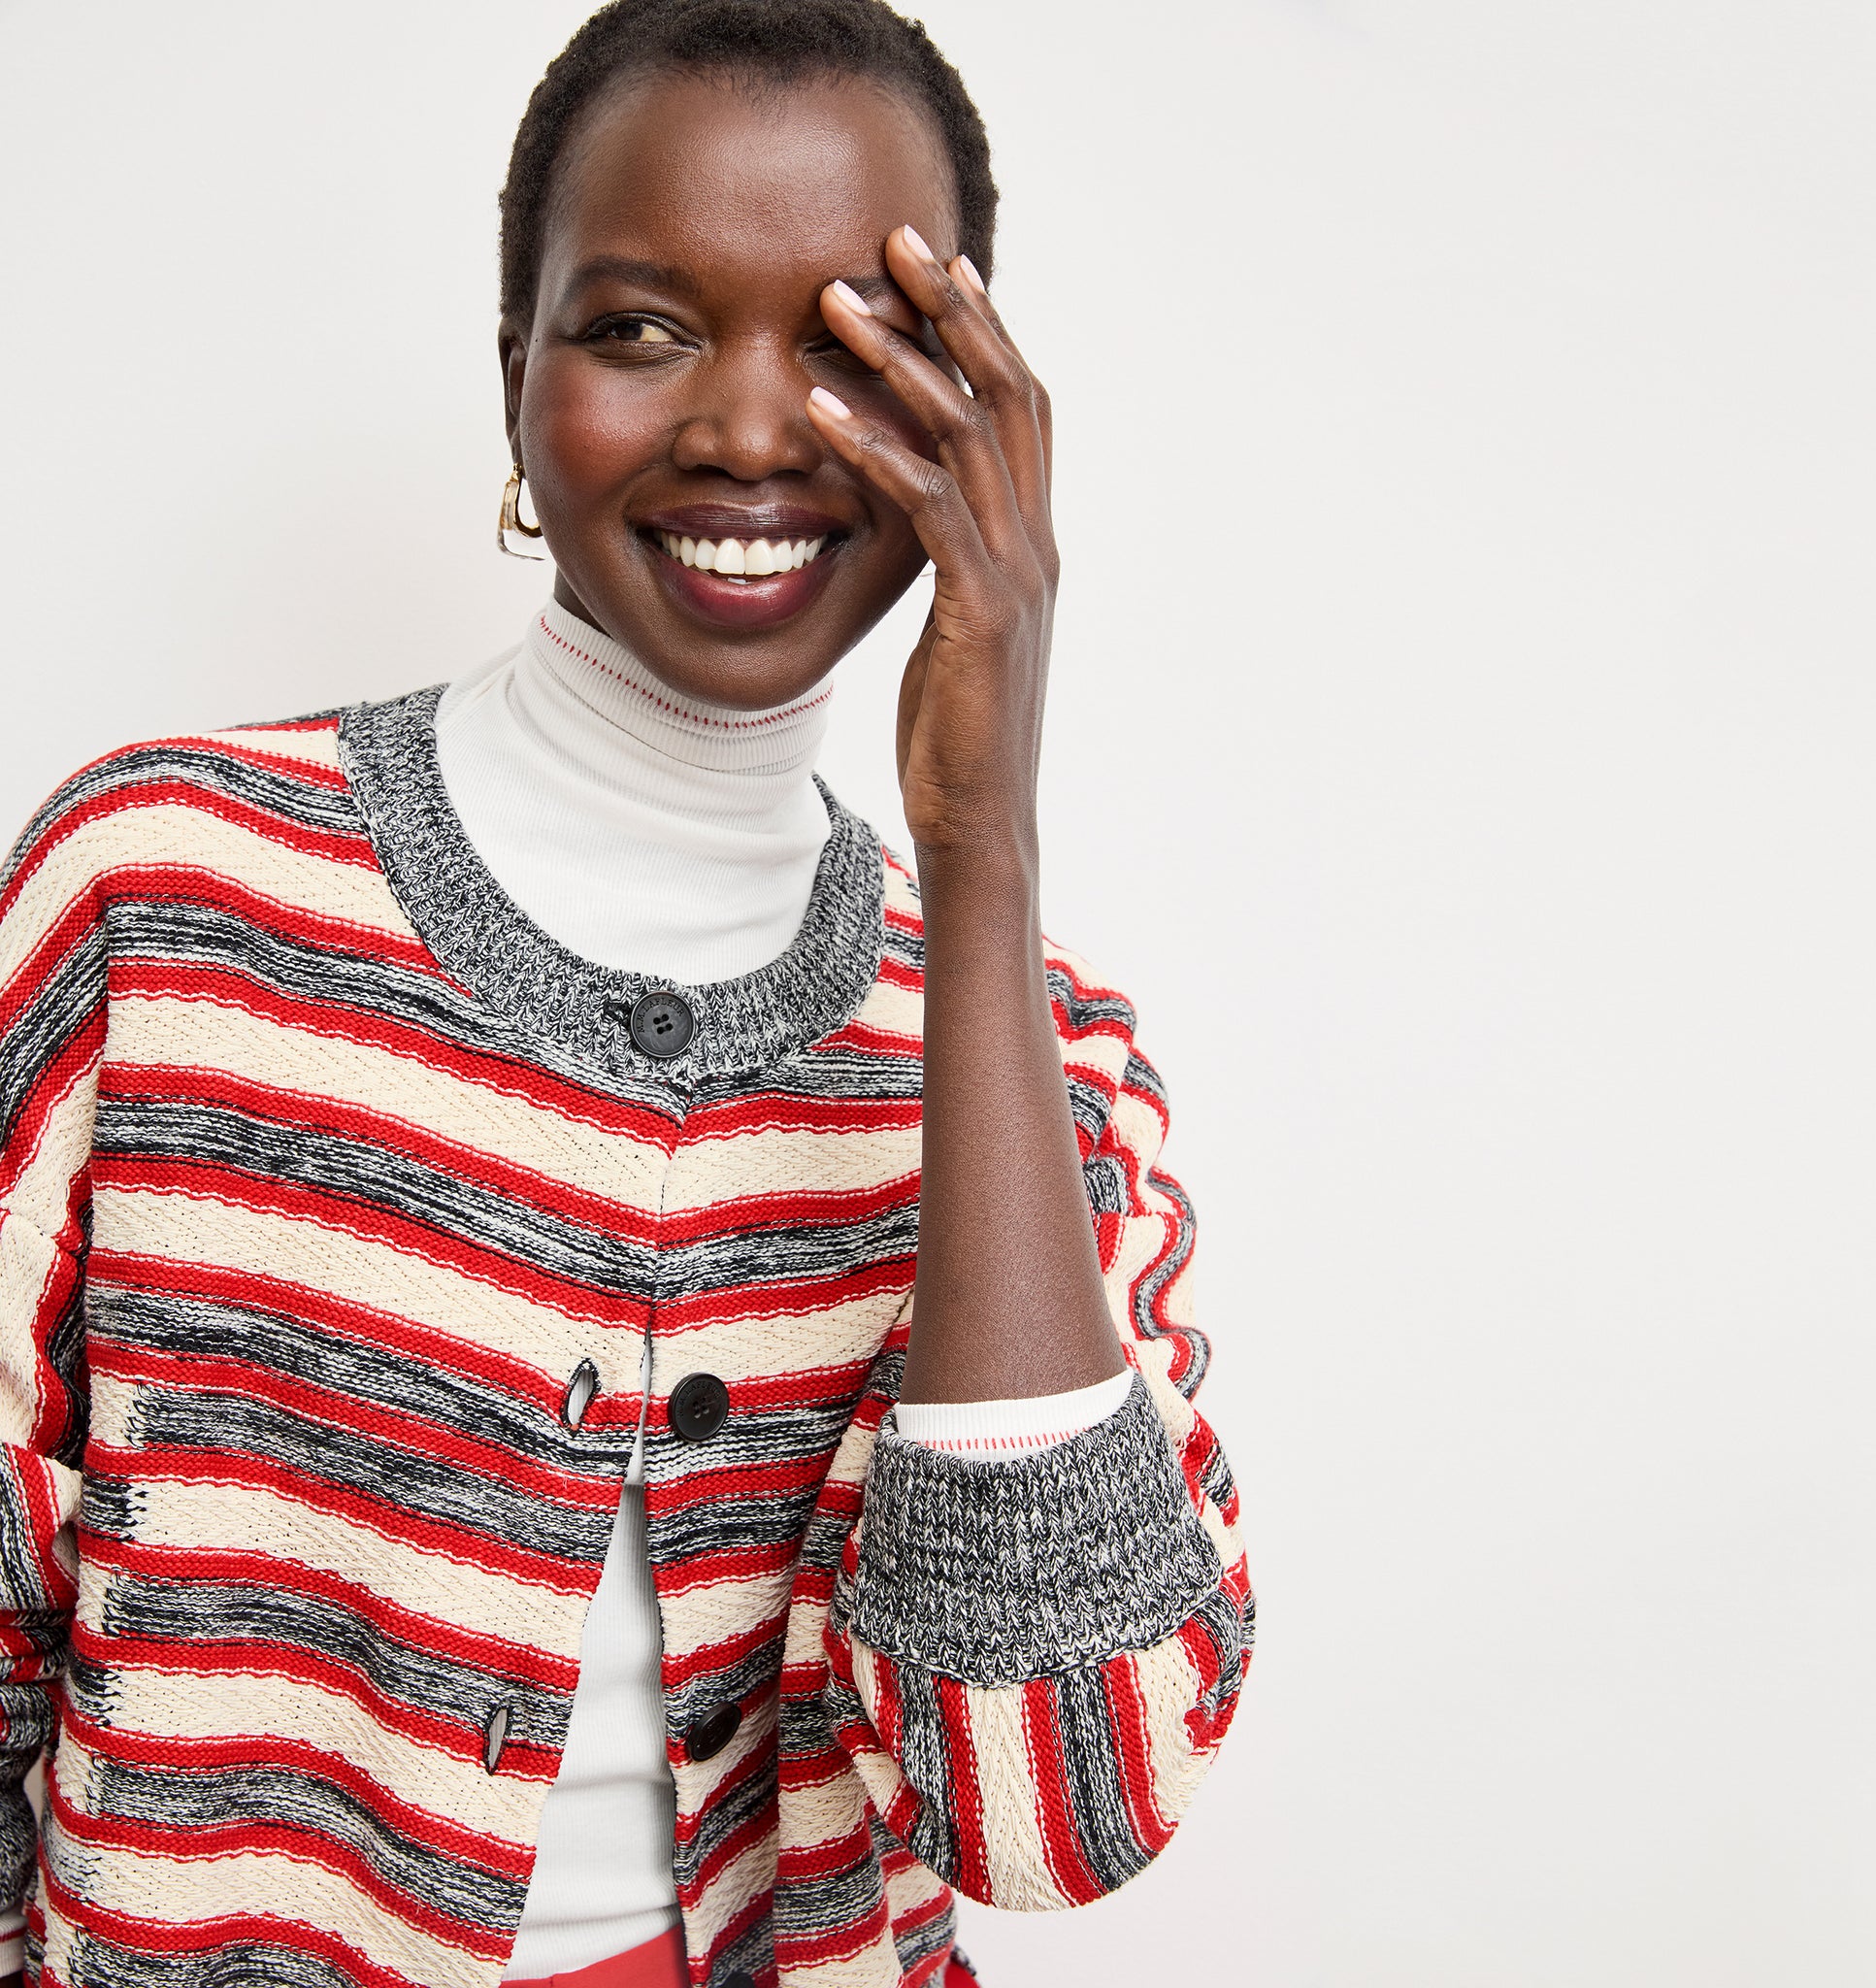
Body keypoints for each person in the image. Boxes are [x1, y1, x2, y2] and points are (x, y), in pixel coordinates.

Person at [0, 2, 1253, 1981]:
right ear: (516, 378)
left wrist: (983, 862)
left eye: (856, 348)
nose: (753, 431)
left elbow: (1050, 1809)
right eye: (642, 327)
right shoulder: (161, 900)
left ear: (977, 416)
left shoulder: (1044, 1065)